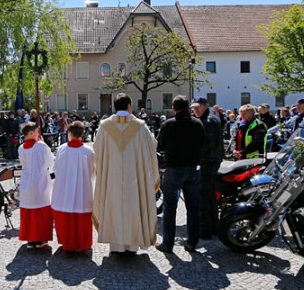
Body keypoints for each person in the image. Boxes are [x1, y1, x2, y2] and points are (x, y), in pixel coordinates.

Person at [92, 93, 160, 255]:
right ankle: (132, 245)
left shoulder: (105, 126)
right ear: (129, 106)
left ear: (115, 107)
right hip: (135, 179)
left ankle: (116, 245)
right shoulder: (141, 126)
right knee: (133, 205)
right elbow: (152, 149)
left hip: (112, 178)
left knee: (114, 205)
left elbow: (97, 151)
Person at [155, 95, 204, 254]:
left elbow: (160, 145)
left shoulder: (168, 124)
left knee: (170, 206)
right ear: (188, 107)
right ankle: (192, 242)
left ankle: (168, 244)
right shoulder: (197, 123)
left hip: (174, 168)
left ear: (173, 108)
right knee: (193, 207)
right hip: (192, 168)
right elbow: (203, 143)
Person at [51, 121, 96, 252]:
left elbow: (56, 169)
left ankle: (68, 242)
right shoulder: (89, 150)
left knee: (66, 213)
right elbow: (93, 171)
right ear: (82, 134)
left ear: (69, 133)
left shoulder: (61, 149)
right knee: (82, 214)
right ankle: (83, 243)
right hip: (83, 188)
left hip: (64, 188)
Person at [17, 122, 55, 248]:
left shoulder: (21, 148)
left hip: (26, 181)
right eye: (37, 131)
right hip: (40, 181)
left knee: (28, 211)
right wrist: (43, 143)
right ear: (31, 133)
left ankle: (30, 239)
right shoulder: (40, 146)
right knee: (41, 212)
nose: (39, 134)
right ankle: (40, 239)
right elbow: (50, 161)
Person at [193, 96, 223, 240]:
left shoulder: (208, 122)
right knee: (209, 196)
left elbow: (208, 145)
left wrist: (197, 158)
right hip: (209, 161)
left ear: (206, 106)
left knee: (203, 196)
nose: (195, 109)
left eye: (198, 106)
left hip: (208, 162)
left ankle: (204, 230)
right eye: (193, 107)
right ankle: (213, 227)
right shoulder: (206, 120)